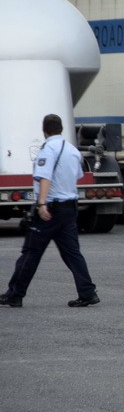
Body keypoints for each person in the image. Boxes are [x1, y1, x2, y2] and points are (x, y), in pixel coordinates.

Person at [0, 114, 100, 308]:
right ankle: (87, 292)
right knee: (72, 253)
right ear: (61, 129)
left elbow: (45, 177)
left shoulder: (48, 149)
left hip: (51, 209)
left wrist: (42, 204)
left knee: (31, 251)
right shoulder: (72, 150)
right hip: (69, 207)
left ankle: (15, 293)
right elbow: (77, 175)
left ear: (44, 130)